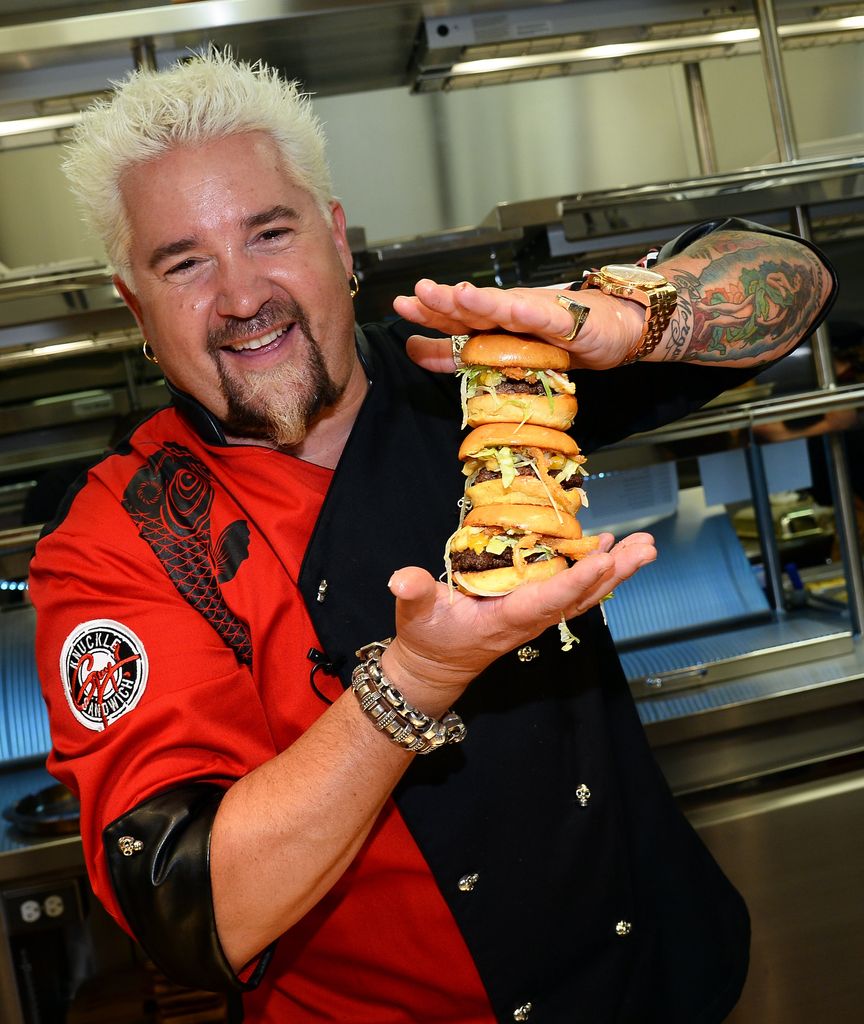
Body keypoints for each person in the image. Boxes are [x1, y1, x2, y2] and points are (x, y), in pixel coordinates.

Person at [29, 51, 836, 1024]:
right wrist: (410, 680)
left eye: (269, 232)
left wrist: (640, 316)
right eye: (185, 261)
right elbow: (193, 913)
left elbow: (794, 275)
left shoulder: (474, 369)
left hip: (664, 985)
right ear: (136, 310)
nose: (241, 296)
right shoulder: (125, 538)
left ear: (336, 236)